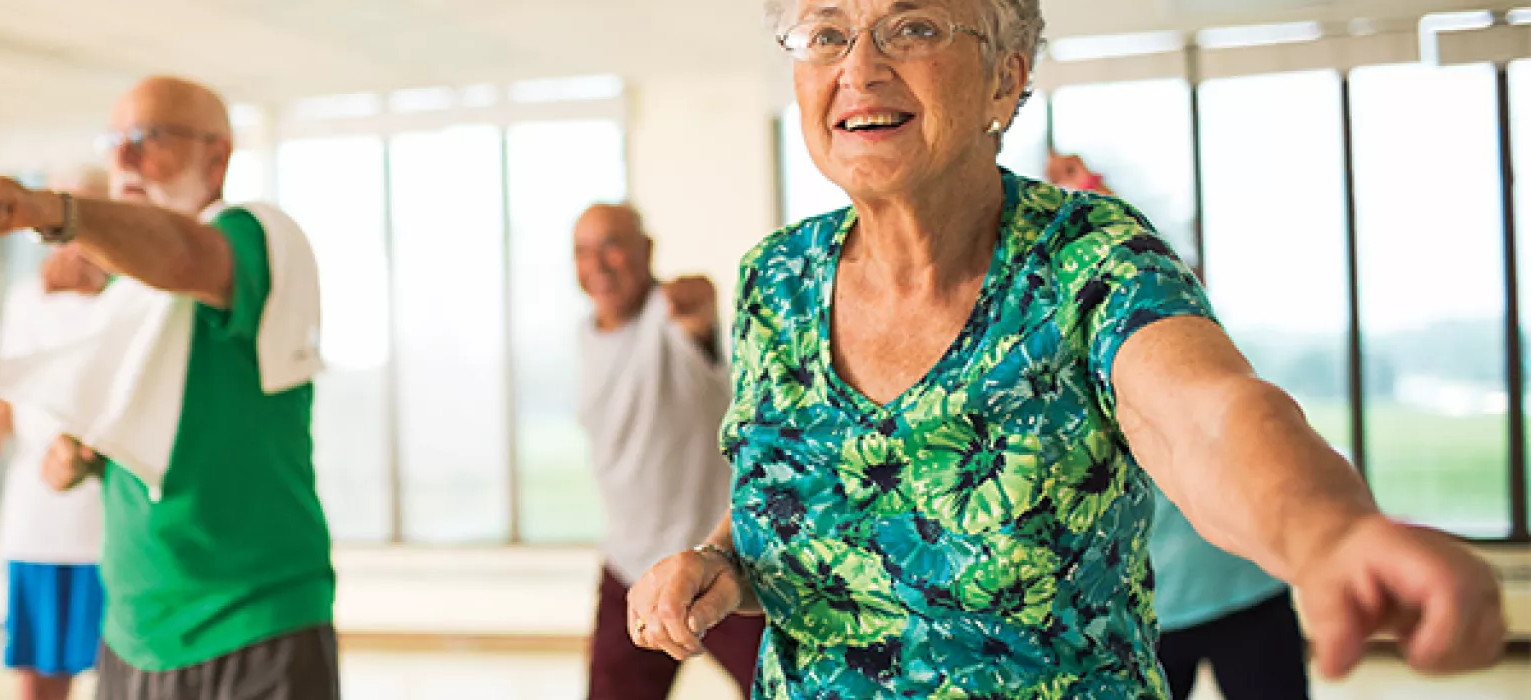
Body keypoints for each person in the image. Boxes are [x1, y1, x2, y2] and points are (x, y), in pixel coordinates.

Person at [625, 1, 1508, 698]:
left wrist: (1330, 532)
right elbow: (795, 497)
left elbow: (1206, 420)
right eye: (825, 33)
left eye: (915, 26)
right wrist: (718, 565)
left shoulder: (1088, 257)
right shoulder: (776, 279)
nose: (858, 67)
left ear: (1005, 81)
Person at [0, 76, 337, 700]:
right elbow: (154, 428)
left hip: (258, 618)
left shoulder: (257, 237)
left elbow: (182, 256)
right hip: (134, 629)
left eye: (148, 139)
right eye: (115, 139)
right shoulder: (122, 295)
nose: (121, 157)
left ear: (217, 157)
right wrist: (83, 457)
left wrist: (53, 211)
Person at [1048, 151, 1310, 699]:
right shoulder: (1063, 358)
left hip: (1246, 587)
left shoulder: (1184, 334)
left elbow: (1140, 265)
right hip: (1148, 612)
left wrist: (1097, 194)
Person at [572, 204, 764, 700]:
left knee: (783, 688)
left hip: (715, 562)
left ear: (646, 250)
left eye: (612, 245)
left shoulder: (674, 315)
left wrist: (694, 299)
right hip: (629, 568)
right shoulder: (586, 335)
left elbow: (696, 296)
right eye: (582, 252)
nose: (598, 264)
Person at [0, 168, 116, 700]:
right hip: (37, 507)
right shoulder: (27, 297)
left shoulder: (129, 296)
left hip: (107, 506)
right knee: (36, 662)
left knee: (120, 666)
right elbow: (14, 385)